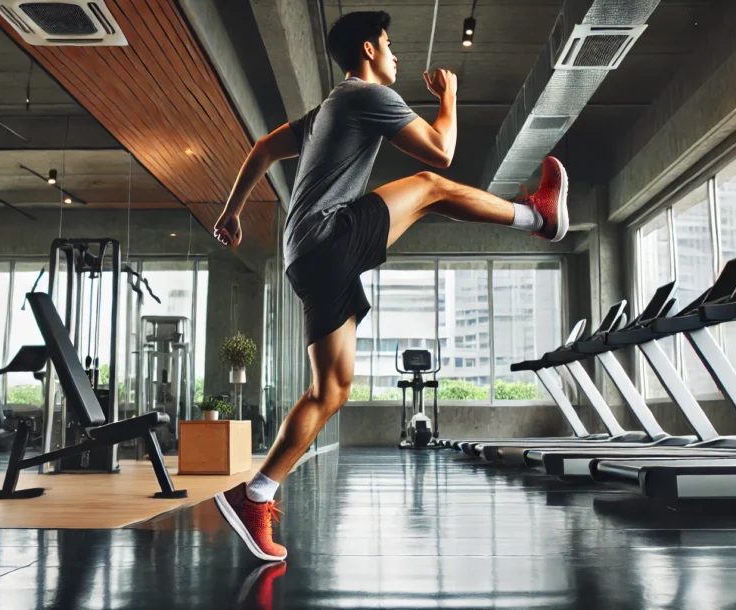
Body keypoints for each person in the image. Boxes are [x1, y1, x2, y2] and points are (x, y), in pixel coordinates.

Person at [212, 10, 569, 561]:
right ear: (367, 50)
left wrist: (233, 212)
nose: (395, 54)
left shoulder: (329, 108)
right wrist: (450, 97)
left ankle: (253, 495)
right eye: (388, 43)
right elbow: (441, 152)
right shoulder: (361, 95)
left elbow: (261, 148)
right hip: (327, 238)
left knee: (330, 390)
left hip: (305, 255)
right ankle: (537, 217)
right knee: (430, 185)